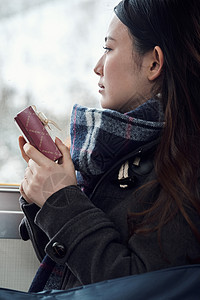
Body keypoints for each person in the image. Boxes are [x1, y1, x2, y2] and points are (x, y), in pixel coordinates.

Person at [18, 0, 200, 292]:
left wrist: (62, 200)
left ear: (154, 63)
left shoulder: (185, 167)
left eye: (108, 48)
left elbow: (135, 287)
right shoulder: (118, 151)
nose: (97, 67)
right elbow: (73, 269)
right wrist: (42, 196)